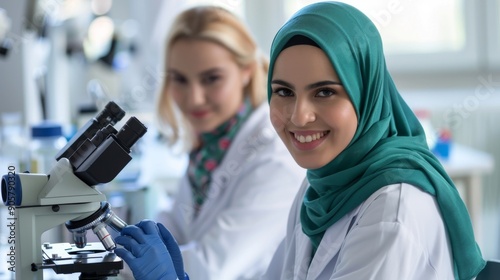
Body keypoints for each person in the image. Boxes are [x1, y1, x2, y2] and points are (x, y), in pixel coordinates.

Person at [115, 2, 486, 280]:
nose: (298, 116)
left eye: (325, 92)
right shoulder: (320, 185)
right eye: (284, 91)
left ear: (365, 92)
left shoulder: (391, 210)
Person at [115, 5, 305, 280]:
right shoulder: (212, 146)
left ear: (247, 71)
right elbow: (173, 228)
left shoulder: (276, 157)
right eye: (179, 79)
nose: (194, 99)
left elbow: (209, 267)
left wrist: (112, 264)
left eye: (211, 79)